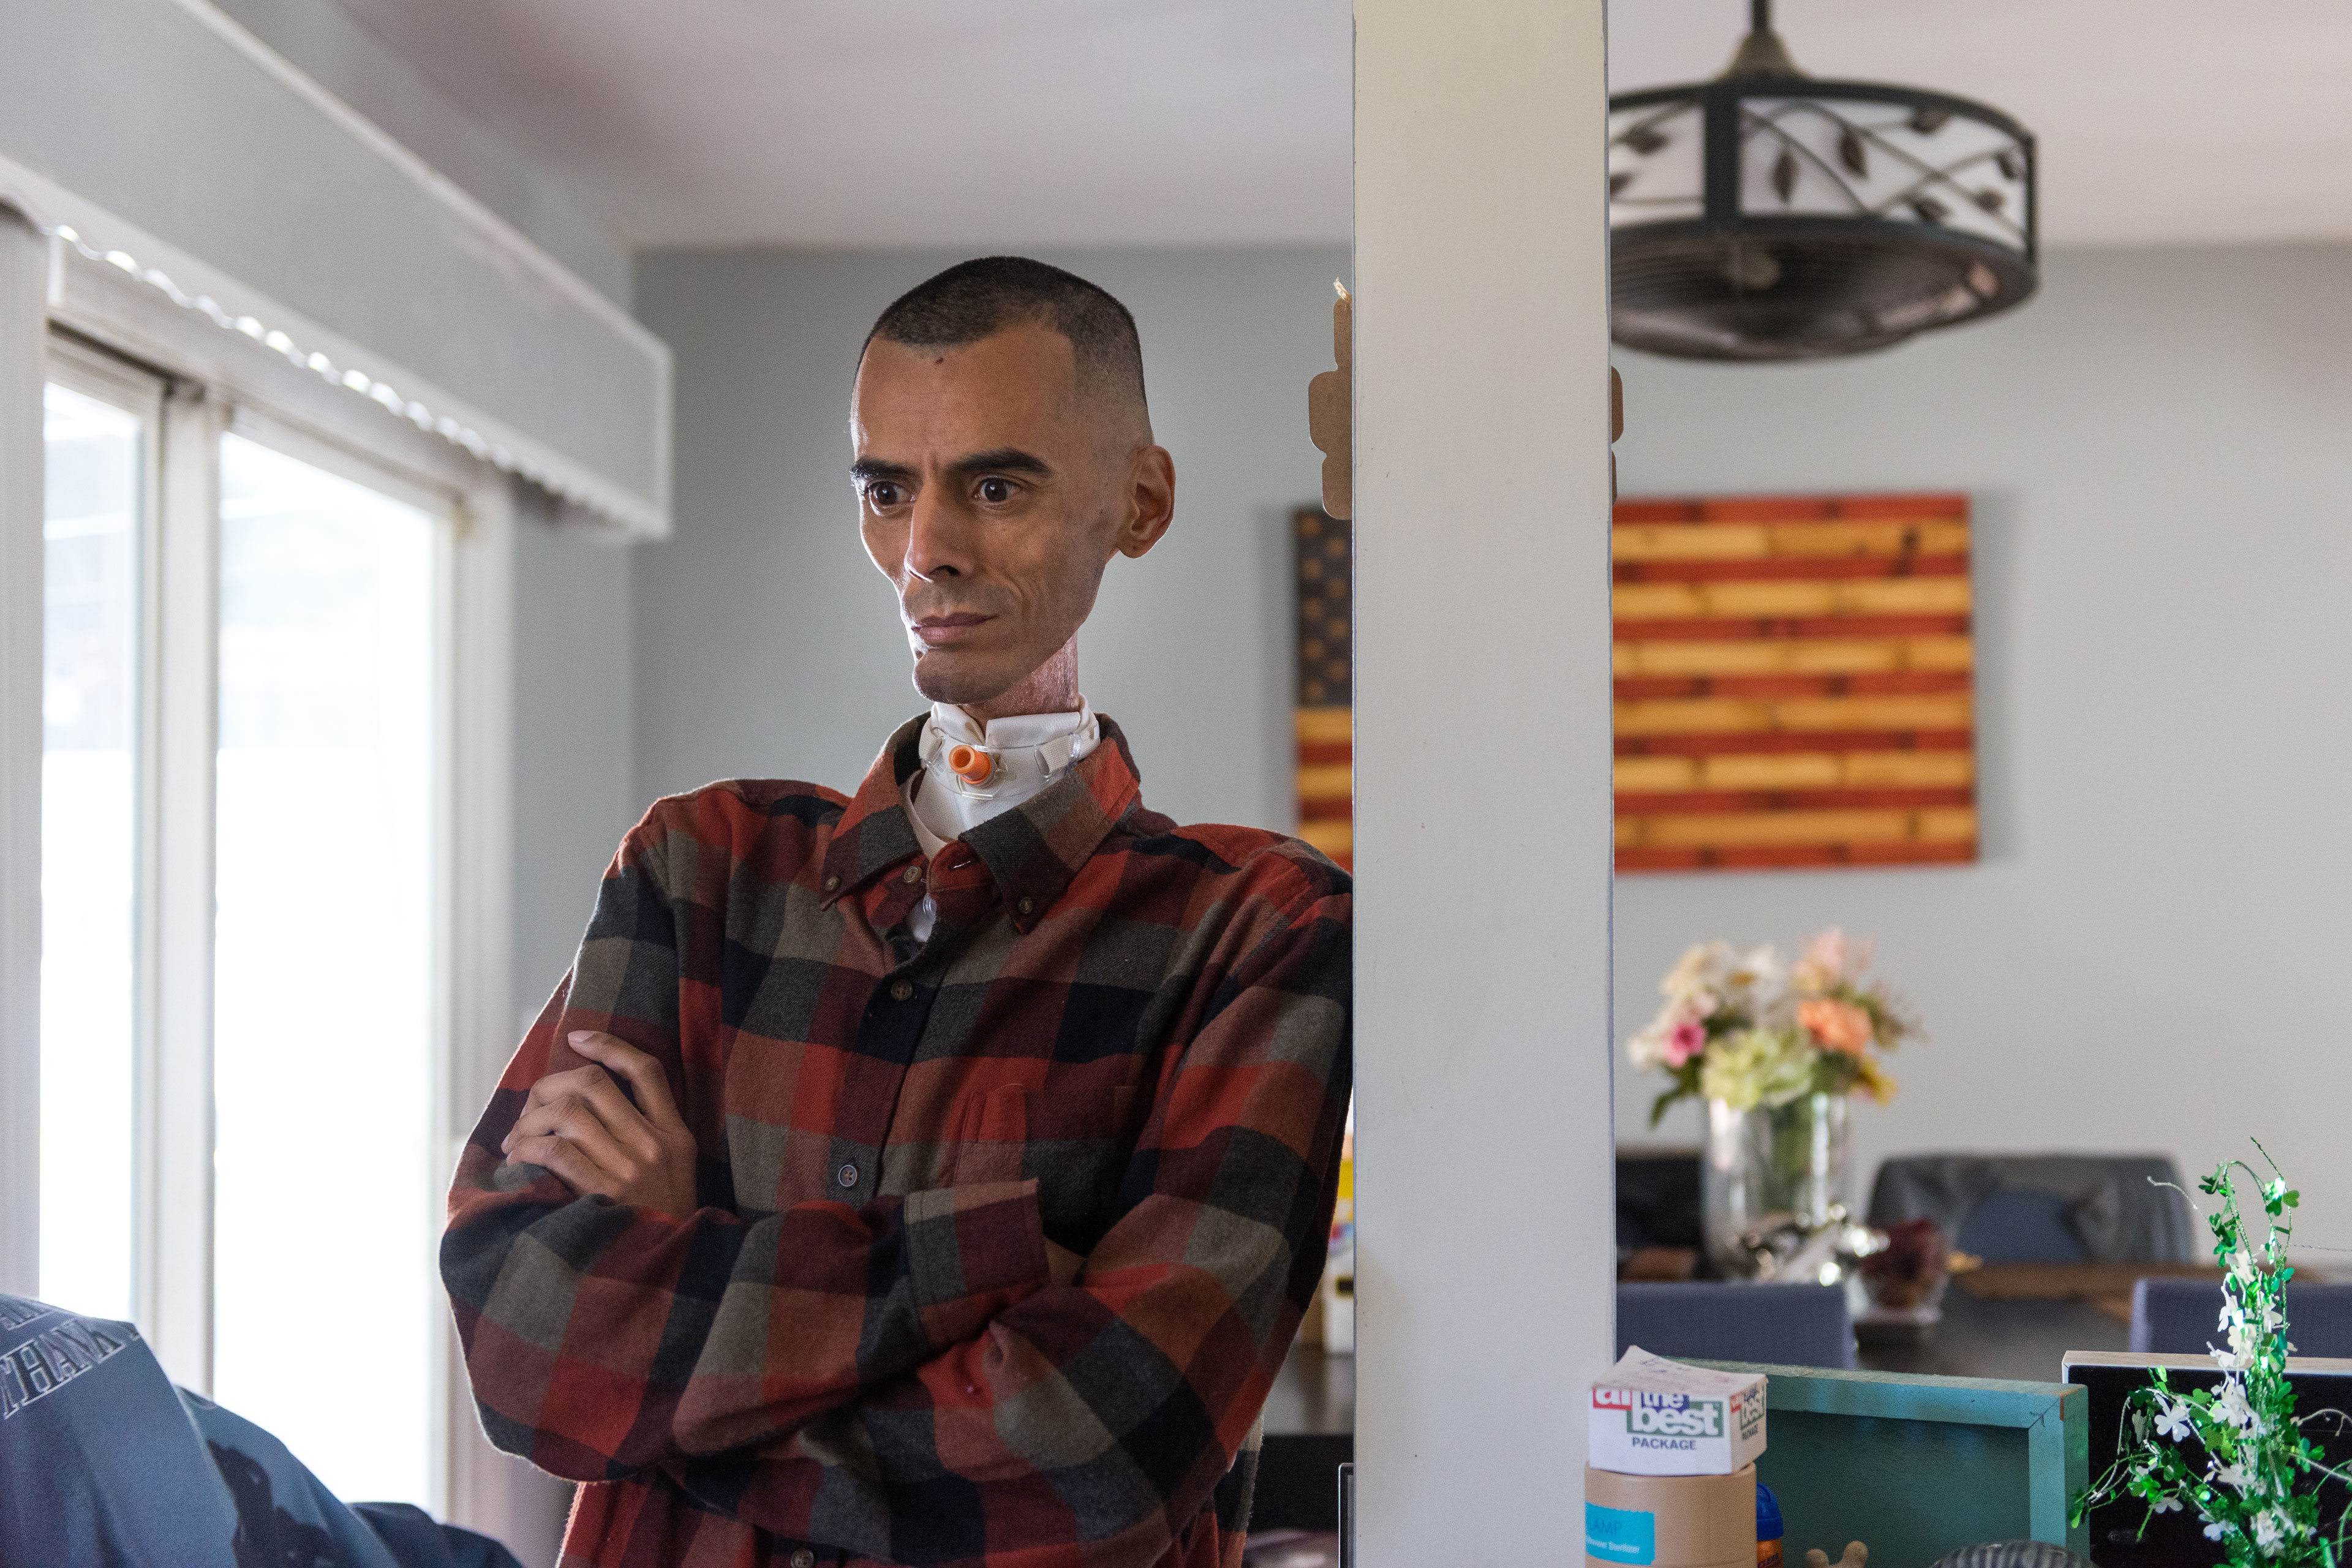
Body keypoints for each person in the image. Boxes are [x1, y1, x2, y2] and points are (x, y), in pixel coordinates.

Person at [440, 257, 1355, 1568]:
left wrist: (689, 1289)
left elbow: (1104, 1459)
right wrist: (979, 1258)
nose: (929, 549)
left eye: (996, 484)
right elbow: (521, 1337)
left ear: (1139, 502)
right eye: (887, 488)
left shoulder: (1257, 930)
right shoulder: (700, 867)